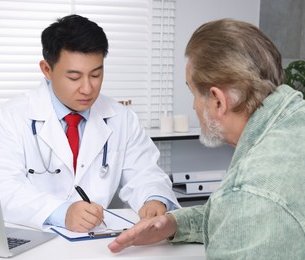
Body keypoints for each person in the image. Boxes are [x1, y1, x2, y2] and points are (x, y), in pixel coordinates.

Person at [108, 18, 305, 259]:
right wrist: (174, 224)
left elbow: (246, 206)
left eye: (192, 93)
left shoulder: (251, 193)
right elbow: (233, 215)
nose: (193, 105)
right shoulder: (294, 118)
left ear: (218, 101)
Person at [0, 14, 180, 232]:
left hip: (98, 243)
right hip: (36, 240)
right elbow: (2, 188)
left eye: (96, 75)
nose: (87, 88)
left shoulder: (122, 118)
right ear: (47, 70)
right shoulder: (9, 117)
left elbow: (145, 173)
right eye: (74, 77)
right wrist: (61, 211)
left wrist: (154, 199)